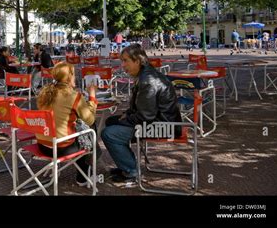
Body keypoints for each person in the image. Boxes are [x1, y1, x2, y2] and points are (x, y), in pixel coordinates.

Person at [101, 44, 182, 185]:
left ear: (137, 61)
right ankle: (126, 164)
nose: (122, 65)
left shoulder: (147, 81)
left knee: (108, 133)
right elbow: (143, 109)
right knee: (110, 121)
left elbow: (146, 116)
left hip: (164, 127)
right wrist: (127, 115)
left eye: (125, 61)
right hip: (160, 122)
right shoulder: (146, 75)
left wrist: (126, 119)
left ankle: (131, 171)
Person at [36, 62, 98, 186]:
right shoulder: (73, 96)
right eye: (74, 75)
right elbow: (90, 119)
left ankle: (85, 171)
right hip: (61, 148)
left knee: (79, 128)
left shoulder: (44, 93)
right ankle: (83, 177)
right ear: (70, 77)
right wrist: (92, 96)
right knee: (89, 130)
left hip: (43, 145)